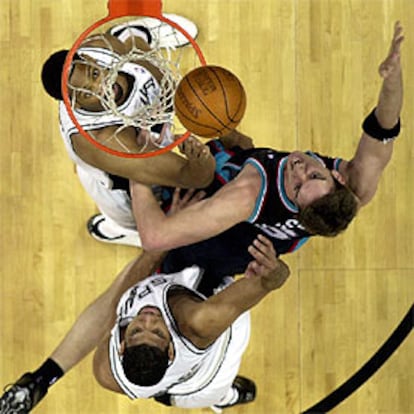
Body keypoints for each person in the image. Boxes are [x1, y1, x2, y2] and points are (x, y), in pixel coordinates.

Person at [130, 22, 404, 276]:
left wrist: (138, 166)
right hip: (239, 238)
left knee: (129, 148)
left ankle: (133, 43)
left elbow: (155, 238)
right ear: (338, 178)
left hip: (201, 242)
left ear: (296, 207)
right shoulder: (354, 190)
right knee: (239, 144)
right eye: (315, 175)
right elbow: (384, 127)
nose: (299, 171)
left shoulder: (247, 194)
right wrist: (392, 78)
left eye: (297, 188)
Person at [0, 216, 290, 412]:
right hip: (205, 377)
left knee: (165, 242)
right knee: (213, 392)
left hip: (166, 360)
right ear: (172, 348)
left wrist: (42, 379)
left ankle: (130, 228)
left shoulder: (106, 371)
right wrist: (274, 271)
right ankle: (226, 399)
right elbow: (270, 282)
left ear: (122, 345)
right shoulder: (199, 322)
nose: (148, 319)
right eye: (158, 331)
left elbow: (116, 301)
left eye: (138, 330)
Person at [41, 14, 216, 247]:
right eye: (86, 93)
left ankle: (134, 32)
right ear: (73, 103)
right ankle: (120, 228)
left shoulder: (100, 47)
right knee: (135, 218)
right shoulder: (105, 141)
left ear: (90, 59)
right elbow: (195, 178)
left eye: (94, 74)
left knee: (133, 46)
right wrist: (201, 161)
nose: (101, 88)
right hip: (116, 181)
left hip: (144, 130)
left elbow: (147, 62)